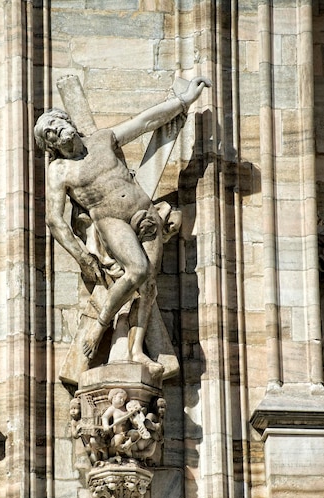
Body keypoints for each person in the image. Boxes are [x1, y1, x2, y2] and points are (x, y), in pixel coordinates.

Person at [35, 76, 210, 372]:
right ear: (50, 145)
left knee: (149, 284)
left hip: (145, 213)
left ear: (66, 121)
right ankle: (100, 325)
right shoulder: (60, 170)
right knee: (138, 270)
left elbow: (144, 122)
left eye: (55, 125)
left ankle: (137, 350)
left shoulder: (102, 139)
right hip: (111, 220)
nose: (56, 132)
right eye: (49, 135)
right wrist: (82, 255)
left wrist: (183, 102)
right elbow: (54, 219)